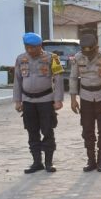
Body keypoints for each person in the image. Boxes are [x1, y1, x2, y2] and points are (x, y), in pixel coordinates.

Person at [13, 32, 65, 173]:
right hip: (28, 101)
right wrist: (18, 100)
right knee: (32, 131)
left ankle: (49, 162)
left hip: (46, 100)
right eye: (27, 47)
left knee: (47, 130)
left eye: (33, 48)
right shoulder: (20, 59)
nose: (30, 50)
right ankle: (37, 162)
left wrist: (58, 99)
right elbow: (17, 80)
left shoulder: (52, 58)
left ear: (40, 46)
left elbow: (58, 78)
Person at [70, 33, 101, 172]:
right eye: (85, 51)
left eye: (92, 51)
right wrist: (73, 99)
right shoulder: (77, 58)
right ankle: (91, 160)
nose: (88, 55)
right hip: (86, 98)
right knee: (87, 130)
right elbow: (73, 78)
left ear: (96, 47)